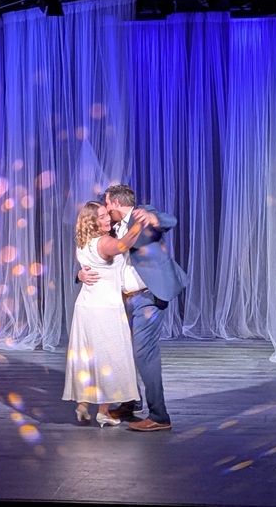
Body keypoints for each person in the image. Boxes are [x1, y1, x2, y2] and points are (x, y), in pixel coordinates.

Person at [78, 184, 188, 432]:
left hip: (147, 297)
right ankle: (130, 402)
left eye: (107, 204)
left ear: (116, 203)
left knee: (144, 353)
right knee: (121, 351)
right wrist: (80, 275)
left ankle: (159, 416)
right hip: (121, 299)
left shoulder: (141, 214)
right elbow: (93, 256)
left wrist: (153, 218)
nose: (105, 209)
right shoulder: (109, 229)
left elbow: (169, 220)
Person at [62, 201, 143, 427]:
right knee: (107, 358)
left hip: (86, 306)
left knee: (87, 356)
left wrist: (79, 274)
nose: (108, 219)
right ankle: (103, 411)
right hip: (105, 309)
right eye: (102, 217)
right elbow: (123, 245)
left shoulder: (83, 242)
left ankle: (82, 405)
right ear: (92, 221)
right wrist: (140, 223)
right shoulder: (105, 241)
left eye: (108, 215)